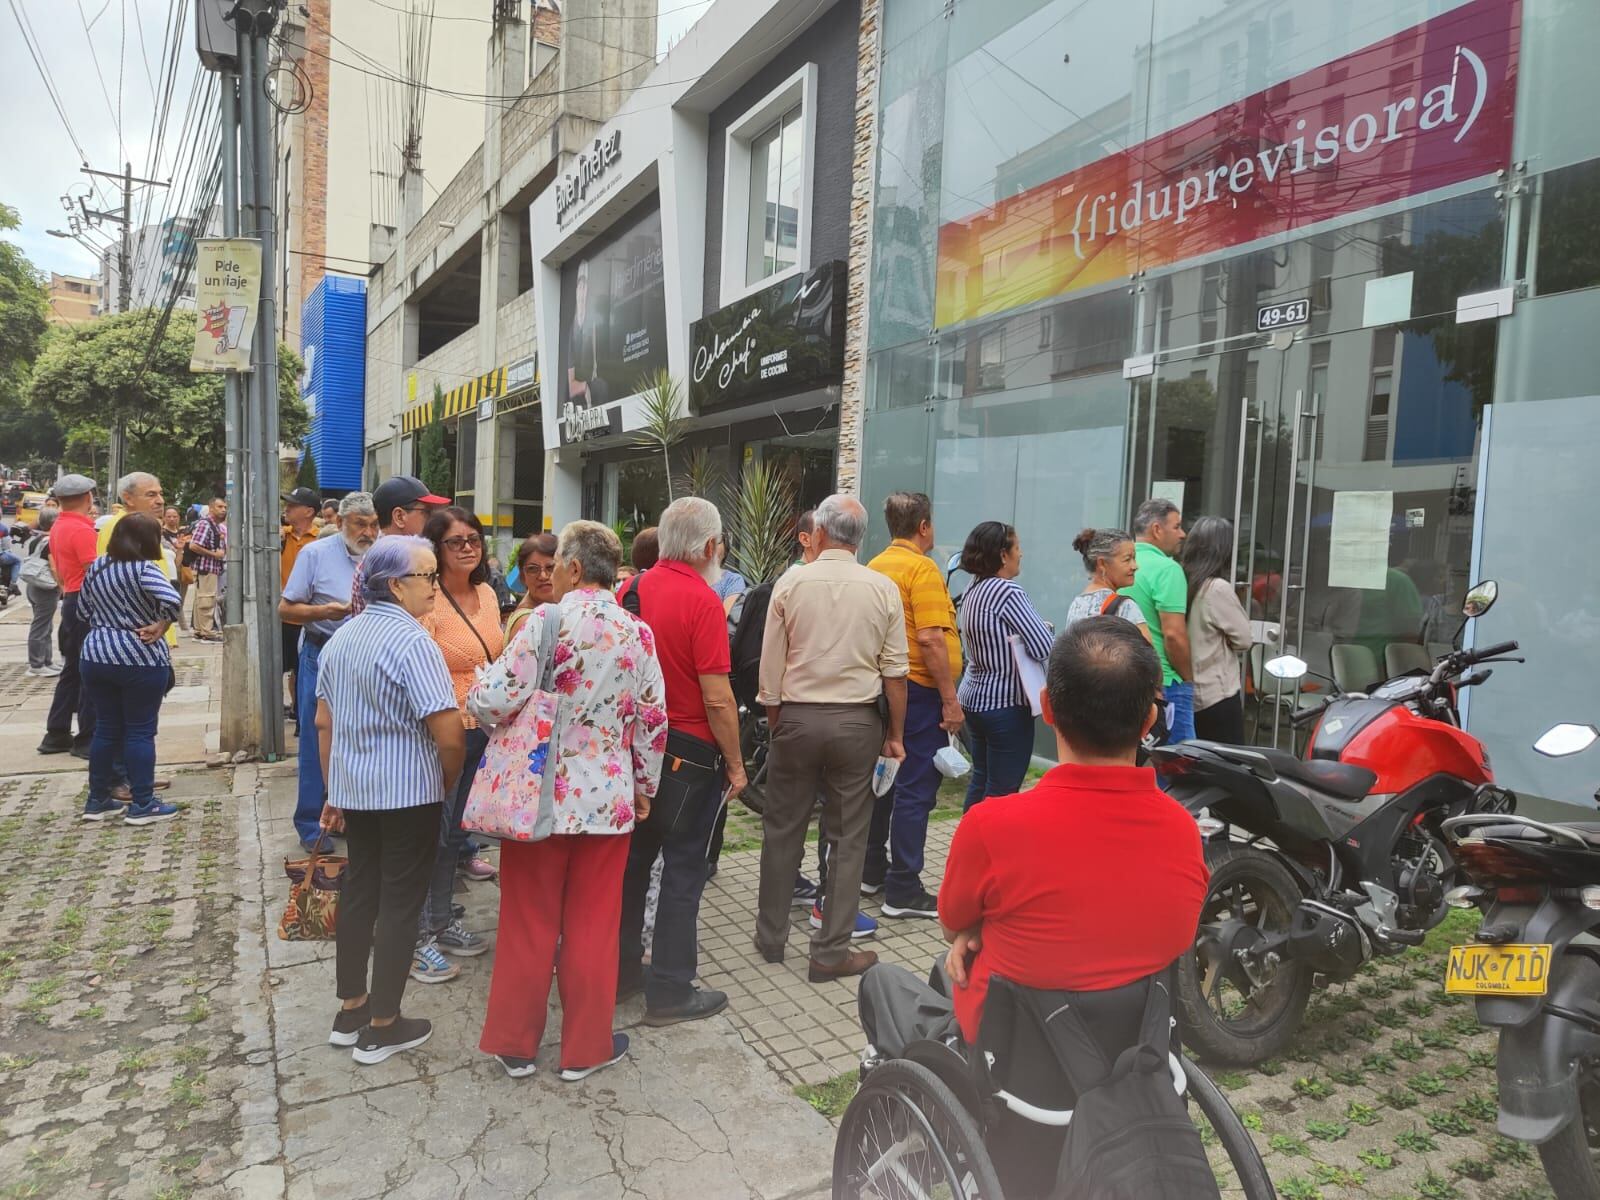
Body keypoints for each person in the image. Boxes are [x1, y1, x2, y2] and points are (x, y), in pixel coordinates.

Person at [858, 616, 1208, 1068]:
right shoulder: (1183, 832)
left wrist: (981, 932)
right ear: (1149, 720)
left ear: (1047, 704)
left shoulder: (991, 826)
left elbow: (951, 926)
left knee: (882, 981)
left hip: (1013, 1063)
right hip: (1132, 1053)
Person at [470, 520, 668, 1080]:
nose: (550, 574)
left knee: (528, 921)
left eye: (556, 565)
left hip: (539, 798)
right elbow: (652, 721)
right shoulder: (638, 633)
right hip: (608, 801)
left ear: (576, 568)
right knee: (593, 926)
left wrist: (482, 701)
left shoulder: (544, 621)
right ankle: (585, 1049)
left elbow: (495, 697)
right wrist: (644, 786)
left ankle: (516, 1045)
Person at [314, 536, 465, 1066]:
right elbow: (448, 732)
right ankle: (383, 1025)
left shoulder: (342, 638)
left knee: (361, 893)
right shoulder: (412, 641)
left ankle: (351, 1009)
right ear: (396, 585)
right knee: (401, 902)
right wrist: (446, 781)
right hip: (406, 792)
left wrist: (335, 789)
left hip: (358, 790)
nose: (435, 586)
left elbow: (325, 721)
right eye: (427, 577)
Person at [756, 494, 908, 981]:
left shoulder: (791, 582)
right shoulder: (882, 588)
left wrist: (778, 716)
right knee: (847, 836)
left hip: (796, 718)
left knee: (783, 830)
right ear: (861, 538)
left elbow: (770, 662)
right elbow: (896, 674)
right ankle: (829, 951)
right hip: (857, 723)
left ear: (818, 533)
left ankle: (771, 936)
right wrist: (896, 737)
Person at [616, 498, 746, 1024]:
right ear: (711, 547)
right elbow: (717, 698)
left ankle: (620, 972)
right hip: (689, 754)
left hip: (634, 750)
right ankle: (670, 989)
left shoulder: (632, 590)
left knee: (631, 866)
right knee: (684, 870)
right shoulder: (702, 601)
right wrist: (736, 765)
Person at [866, 492, 962, 920]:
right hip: (920, 691)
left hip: (884, 691)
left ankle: (871, 871)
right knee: (915, 791)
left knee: (883, 781)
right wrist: (950, 699)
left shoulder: (873, 566)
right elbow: (930, 638)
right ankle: (903, 887)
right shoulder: (921, 569)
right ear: (924, 526)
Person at [415, 506, 503, 968]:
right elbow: (424, 668)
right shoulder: (427, 599)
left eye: (474, 538)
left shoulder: (488, 594)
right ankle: (419, 931)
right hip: (444, 731)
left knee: (456, 835)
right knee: (433, 832)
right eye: (456, 541)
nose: (468, 547)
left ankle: (440, 917)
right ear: (436, 548)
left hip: (484, 731)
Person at [280, 493, 379, 853]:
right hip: (322, 654)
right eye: (359, 524)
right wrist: (325, 612)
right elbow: (286, 609)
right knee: (315, 737)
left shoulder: (382, 556)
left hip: (366, 659)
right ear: (340, 523)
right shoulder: (315, 555)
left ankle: (349, 815)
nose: (368, 532)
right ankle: (310, 823)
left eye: (373, 525)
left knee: (357, 741)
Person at [76, 513, 182, 825]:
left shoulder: (98, 566)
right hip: (139, 656)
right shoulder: (143, 568)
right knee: (140, 731)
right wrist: (161, 625)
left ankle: (97, 800)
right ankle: (144, 804)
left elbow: (82, 609)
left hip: (95, 655)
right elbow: (172, 600)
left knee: (106, 728)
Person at [955, 521, 1053, 808]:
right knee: (1003, 791)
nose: (1021, 554)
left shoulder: (973, 589)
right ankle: (990, 850)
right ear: (1002, 554)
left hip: (974, 699)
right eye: (1017, 547)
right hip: (1006, 706)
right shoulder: (1008, 592)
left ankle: (967, 842)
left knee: (982, 779)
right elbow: (1042, 646)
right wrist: (1047, 628)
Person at [1120, 498, 1195, 743]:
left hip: (1126, 676)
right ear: (1156, 529)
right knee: (1179, 766)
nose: (1182, 534)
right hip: (1166, 683)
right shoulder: (1167, 569)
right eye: (1177, 526)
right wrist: (1187, 679)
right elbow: (1174, 635)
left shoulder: (1117, 565)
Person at [38, 474, 101, 757]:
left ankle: (57, 732)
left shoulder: (59, 527)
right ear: (88, 498)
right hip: (86, 602)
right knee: (91, 669)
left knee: (73, 668)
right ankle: (87, 737)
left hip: (71, 599)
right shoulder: (82, 530)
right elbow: (94, 570)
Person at [1182, 516, 1253, 744]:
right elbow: (1244, 639)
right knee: (1228, 768)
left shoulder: (1180, 580)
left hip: (1188, 693)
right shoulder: (1216, 588)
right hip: (1217, 694)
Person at [348, 476, 449, 616]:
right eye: (427, 512)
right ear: (400, 517)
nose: (432, 519)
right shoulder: (378, 567)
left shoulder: (417, 557)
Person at [280, 486, 321, 714]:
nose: (287, 508)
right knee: (280, 667)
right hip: (285, 614)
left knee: (302, 668)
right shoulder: (280, 537)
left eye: (293, 505)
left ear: (308, 511)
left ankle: (300, 715)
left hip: (308, 617)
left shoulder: (321, 540)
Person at [1066, 528, 1149, 636]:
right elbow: (1146, 651)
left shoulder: (1076, 604)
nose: (1135, 566)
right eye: (1127, 559)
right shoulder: (1125, 607)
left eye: (1134, 558)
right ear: (1102, 564)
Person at [22, 511, 62, 677]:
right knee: (41, 627)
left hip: (33, 586)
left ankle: (47, 661)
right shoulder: (51, 540)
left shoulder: (37, 539)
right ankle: (37, 664)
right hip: (46, 588)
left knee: (45, 625)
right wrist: (61, 585)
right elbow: (53, 566)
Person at [187, 496, 229, 642]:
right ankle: (207, 631)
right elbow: (194, 545)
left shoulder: (215, 525)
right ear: (211, 508)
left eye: (224, 507)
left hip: (211, 568)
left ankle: (200, 630)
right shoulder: (206, 524)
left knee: (203, 599)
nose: (223, 510)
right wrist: (214, 555)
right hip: (206, 568)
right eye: (219, 507)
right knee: (207, 599)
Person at [504, 532, 558, 641]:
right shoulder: (528, 621)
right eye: (533, 569)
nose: (543, 576)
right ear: (523, 576)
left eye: (550, 567)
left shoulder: (551, 609)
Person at [162, 507, 192, 628]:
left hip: (184, 568)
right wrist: (179, 548)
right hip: (170, 568)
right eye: (169, 516)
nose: (172, 519)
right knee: (174, 598)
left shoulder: (183, 532)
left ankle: (181, 625)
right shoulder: (162, 533)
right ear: (164, 517)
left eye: (174, 516)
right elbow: (170, 550)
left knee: (182, 598)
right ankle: (182, 626)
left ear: (179, 518)